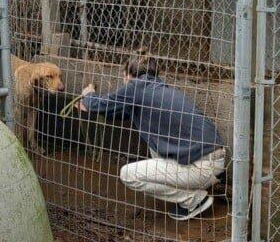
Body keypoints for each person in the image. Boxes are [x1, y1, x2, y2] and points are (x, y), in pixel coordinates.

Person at [77, 51, 226, 221]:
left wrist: (88, 96)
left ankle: (193, 200)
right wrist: (93, 106)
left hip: (201, 167)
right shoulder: (155, 89)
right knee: (154, 144)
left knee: (128, 175)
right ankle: (196, 187)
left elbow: (101, 104)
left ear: (127, 75)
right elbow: (119, 111)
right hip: (212, 161)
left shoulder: (136, 87)